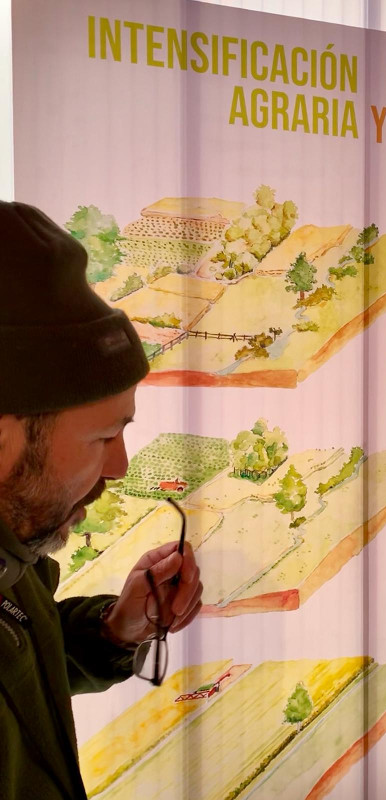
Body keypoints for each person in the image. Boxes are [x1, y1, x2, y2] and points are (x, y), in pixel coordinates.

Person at [0, 201, 202, 799]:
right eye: (103, 437)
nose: (118, 466)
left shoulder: (12, 556)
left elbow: (19, 674)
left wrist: (114, 631)